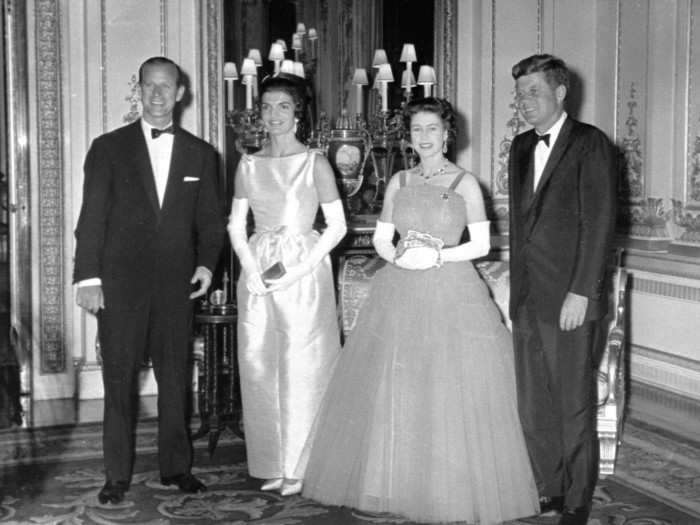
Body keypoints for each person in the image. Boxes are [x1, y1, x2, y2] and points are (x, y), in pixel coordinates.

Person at [300, 97, 539, 524]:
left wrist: (439, 256)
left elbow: (483, 245)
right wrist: (398, 256)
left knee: (447, 386)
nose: (424, 137)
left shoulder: (466, 182)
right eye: (416, 130)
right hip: (400, 290)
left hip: (452, 291)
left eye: (432, 129)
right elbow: (381, 237)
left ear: (447, 134)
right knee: (397, 386)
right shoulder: (399, 181)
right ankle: (393, 483)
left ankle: (450, 488)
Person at [73, 56, 225, 504]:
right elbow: (91, 219)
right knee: (119, 381)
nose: (158, 95)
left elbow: (211, 223)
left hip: (177, 287)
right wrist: (87, 278)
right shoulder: (107, 147)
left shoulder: (202, 153)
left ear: (181, 93)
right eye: (149, 86)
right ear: (137, 90)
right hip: (119, 287)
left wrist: (205, 266)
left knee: (176, 379)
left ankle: (177, 468)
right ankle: (116, 474)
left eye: (167, 87)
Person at [508, 54, 617, 525]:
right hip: (529, 296)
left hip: (571, 298)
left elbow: (600, 223)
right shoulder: (517, 146)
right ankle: (548, 488)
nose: (524, 102)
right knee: (533, 403)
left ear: (560, 92)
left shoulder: (591, 144)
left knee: (572, 404)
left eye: (533, 92)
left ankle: (576, 499)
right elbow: (520, 225)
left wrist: (583, 292)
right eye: (519, 94)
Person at [227, 73, 346, 497]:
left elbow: (336, 226)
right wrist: (250, 268)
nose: (273, 115)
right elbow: (236, 225)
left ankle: (303, 465)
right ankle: (273, 462)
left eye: (283, 106)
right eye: (266, 107)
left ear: (298, 114)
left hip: (302, 270)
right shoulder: (249, 164)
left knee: (301, 364)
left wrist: (297, 271)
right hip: (258, 272)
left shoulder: (314, 162)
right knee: (258, 362)